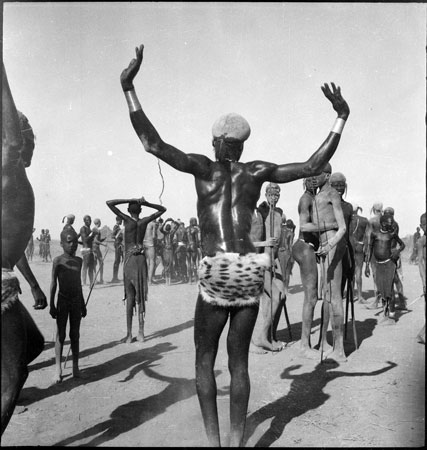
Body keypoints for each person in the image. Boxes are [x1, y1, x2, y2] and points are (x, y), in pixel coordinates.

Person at [120, 44, 350, 446]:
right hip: (246, 270)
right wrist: (340, 116)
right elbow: (313, 166)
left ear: (215, 142)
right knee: (239, 363)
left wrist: (129, 87)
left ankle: (213, 442)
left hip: (215, 271)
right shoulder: (257, 171)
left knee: (205, 360)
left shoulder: (202, 168)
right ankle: (239, 439)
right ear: (241, 146)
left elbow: (152, 144)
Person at [1, 62, 46, 435]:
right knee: (12, 376)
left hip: (5, 275)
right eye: (29, 137)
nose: (32, 144)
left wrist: (31, 284)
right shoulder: (8, 169)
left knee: (32, 342)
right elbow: (12, 139)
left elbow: (13, 243)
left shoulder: (15, 181)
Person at [106, 196, 166, 343]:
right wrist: (146, 202)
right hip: (141, 260)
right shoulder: (144, 221)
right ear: (140, 209)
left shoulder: (126, 220)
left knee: (130, 296)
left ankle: (128, 335)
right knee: (140, 296)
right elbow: (162, 209)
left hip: (130, 260)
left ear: (128, 210)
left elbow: (109, 203)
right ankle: (141, 333)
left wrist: (129, 198)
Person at [307, 166, 347, 362]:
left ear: (327, 175)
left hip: (332, 243)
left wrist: (330, 244)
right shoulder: (317, 195)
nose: (315, 177)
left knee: (334, 295)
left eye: (318, 174)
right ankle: (328, 342)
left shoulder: (332, 194)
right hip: (323, 246)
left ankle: (340, 349)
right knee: (328, 295)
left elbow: (342, 228)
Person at [250, 183, 286, 353]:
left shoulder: (279, 213)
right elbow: (248, 241)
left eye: (277, 194)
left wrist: (277, 262)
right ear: (265, 195)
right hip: (262, 261)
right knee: (274, 298)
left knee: (281, 296)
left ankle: (270, 335)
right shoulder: (260, 213)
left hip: (274, 261)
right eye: (271, 194)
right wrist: (265, 244)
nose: (274, 197)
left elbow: (278, 245)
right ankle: (260, 338)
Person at [49, 228, 87, 383]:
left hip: (76, 300)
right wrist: (52, 304)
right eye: (69, 242)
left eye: (74, 242)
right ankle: (58, 368)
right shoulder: (57, 261)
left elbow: (78, 284)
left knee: (75, 334)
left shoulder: (79, 261)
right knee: (61, 334)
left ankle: (75, 368)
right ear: (62, 243)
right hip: (63, 300)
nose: (72, 245)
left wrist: (83, 304)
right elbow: (53, 284)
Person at [365, 214, 405, 325]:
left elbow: (402, 245)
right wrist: (367, 265)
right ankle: (385, 314)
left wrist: (397, 252)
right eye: (389, 222)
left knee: (389, 291)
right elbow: (369, 249)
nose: (392, 224)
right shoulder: (374, 234)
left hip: (389, 264)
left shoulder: (392, 234)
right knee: (382, 291)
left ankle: (392, 317)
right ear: (383, 223)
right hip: (378, 265)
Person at [329, 172, 354, 300]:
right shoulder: (325, 205)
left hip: (343, 251)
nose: (339, 188)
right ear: (330, 186)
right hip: (329, 251)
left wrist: (351, 258)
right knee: (330, 292)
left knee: (340, 291)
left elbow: (348, 234)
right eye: (336, 185)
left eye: (342, 185)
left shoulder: (348, 207)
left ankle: (339, 320)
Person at [383, 207, 406, 310]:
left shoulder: (393, 225)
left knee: (393, 279)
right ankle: (399, 302)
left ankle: (394, 304)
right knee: (393, 279)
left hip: (391, 253)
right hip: (389, 253)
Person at [364, 201, 383, 309]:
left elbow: (368, 237)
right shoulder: (387, 219)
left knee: (376, 276)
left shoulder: (372, 221)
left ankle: (376, 301)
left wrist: (367, 253)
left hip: (375, 250)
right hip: (386, 250)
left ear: (374, 209)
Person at [348, 204, 369, 303]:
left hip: (350, 247)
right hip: (360, 247)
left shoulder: (347, 220)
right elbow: (367, 236)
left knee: (350, 272)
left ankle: (351, 295)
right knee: (358, 271)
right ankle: (360, 296)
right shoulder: (364, 220)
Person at [415, 213, 426, 344]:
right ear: (421, 226)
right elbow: (420, 262)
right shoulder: (421, 241)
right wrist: (424, 281)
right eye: (425, 224)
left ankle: (422, 334)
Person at [160, 218, 179, 285]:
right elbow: (177, 226)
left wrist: (165, 221)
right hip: (170, 249)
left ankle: (167, 280)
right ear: (170, 228)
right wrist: (173, 221)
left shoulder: (165, 233)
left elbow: (160, 229)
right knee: (169, 264)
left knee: (166, 264)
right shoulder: (171, 233)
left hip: (165, 249)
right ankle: (169, 280)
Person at [80, 215, 96, 286]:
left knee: (91, 267)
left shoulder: (89, 229)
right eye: (87, 220)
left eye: (89, 220)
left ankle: (91, 283)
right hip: (86, 249)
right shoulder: (83, 229)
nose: (88, 221)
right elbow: (85, 240)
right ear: (84, 221)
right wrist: (92, 234)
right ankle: (84, 283)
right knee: (86, 266)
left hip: (90, 249)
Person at [143, 217, 158, 285]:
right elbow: (154, 236)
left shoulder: (145, 224)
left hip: (144, 243)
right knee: (152, 262)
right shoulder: (153, 224)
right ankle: (150, 281)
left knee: (147, 261)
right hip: (151, 243)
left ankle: (146, 279)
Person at [187, 217, 201, 284]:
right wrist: (198, 246)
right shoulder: (195, 229)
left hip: (187, 246)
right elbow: (197, 240)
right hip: (193, 245)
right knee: (194, 262)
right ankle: (195, 279)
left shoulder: (186, 229)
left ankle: (190, 280)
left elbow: (184, 238)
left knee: (189, 263)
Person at [92, 218, 106, 284]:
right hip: (95, 248)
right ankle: (98, 279)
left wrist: (103, 239)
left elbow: (97, 239)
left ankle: (98, 279)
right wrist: (103, 243)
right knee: (99, 263)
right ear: (99, 223)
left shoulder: (95, 229)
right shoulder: (96, 230)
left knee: (97, 263)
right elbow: (95, 240)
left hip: (95, 248)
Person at [110, 216, 124, 283]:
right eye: (121, 220)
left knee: (118, 261)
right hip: (118, 245)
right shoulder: (116, 227)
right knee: (117, 261)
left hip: (119, 245)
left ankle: (115, 277)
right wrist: (117, 238)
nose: (121, 222)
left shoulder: (118, 227)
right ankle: (114, 278)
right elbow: (112, 236)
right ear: (118, 220)